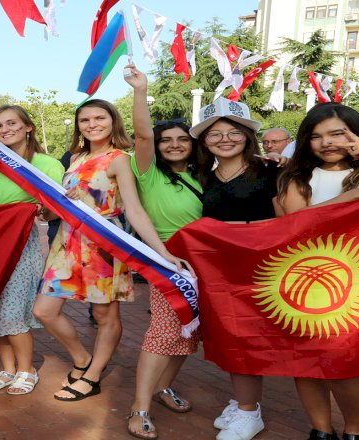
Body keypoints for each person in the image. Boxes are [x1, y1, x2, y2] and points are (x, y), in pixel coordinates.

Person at [31, 94, 188, 406]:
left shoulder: (119, 159)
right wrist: (48, 210)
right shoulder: (75, 158)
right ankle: (82, 359)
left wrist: (161, 252)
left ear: (113, 121)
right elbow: (66, 203)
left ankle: (92, 376)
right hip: (68, 243)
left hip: (104, 244)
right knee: (43, 311)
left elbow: (134, 209)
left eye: (99, 118)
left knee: (105, 314)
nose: (92, 124)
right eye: (85, 120)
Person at [276, 103, 359, 440]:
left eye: (337, 133)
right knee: (305, 362)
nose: (326, 142)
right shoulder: (297, 178)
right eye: (316, 136)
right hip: (305, 283)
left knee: (346, 365)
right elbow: (295, 224)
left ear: (357, 133)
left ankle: (356, 431)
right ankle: (320, 431)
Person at [189, 97, 283, 440]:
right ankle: (241, 400)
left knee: (246, 338)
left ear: (248, 135)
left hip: (259, 271)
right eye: (215, 134)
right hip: (217, 272)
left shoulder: (272, 171)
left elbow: (288, 222)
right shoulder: (202, 177)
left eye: (234, 132)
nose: (225, 139)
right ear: (204, 141)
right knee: (227, 336)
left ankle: (248, 411)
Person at [0, 105, 65, 395]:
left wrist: (42, 210)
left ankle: (27, 369)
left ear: (28, 127)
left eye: (12, 123)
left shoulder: (46, 164)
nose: (5, 130)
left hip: (19, 243)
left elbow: (54, 212)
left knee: (12, 309)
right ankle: (8, 368)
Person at [122, 66, 202, 439]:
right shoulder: (148, 171)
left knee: (189, 331)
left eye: (182, 139)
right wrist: (141, 91)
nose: (173, 144)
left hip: (205, 260)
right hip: (168, 259)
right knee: (164, 331)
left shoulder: (203, 175)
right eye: (165, 139)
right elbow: (142, 133)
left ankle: (163, 387)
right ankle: (139, 408)